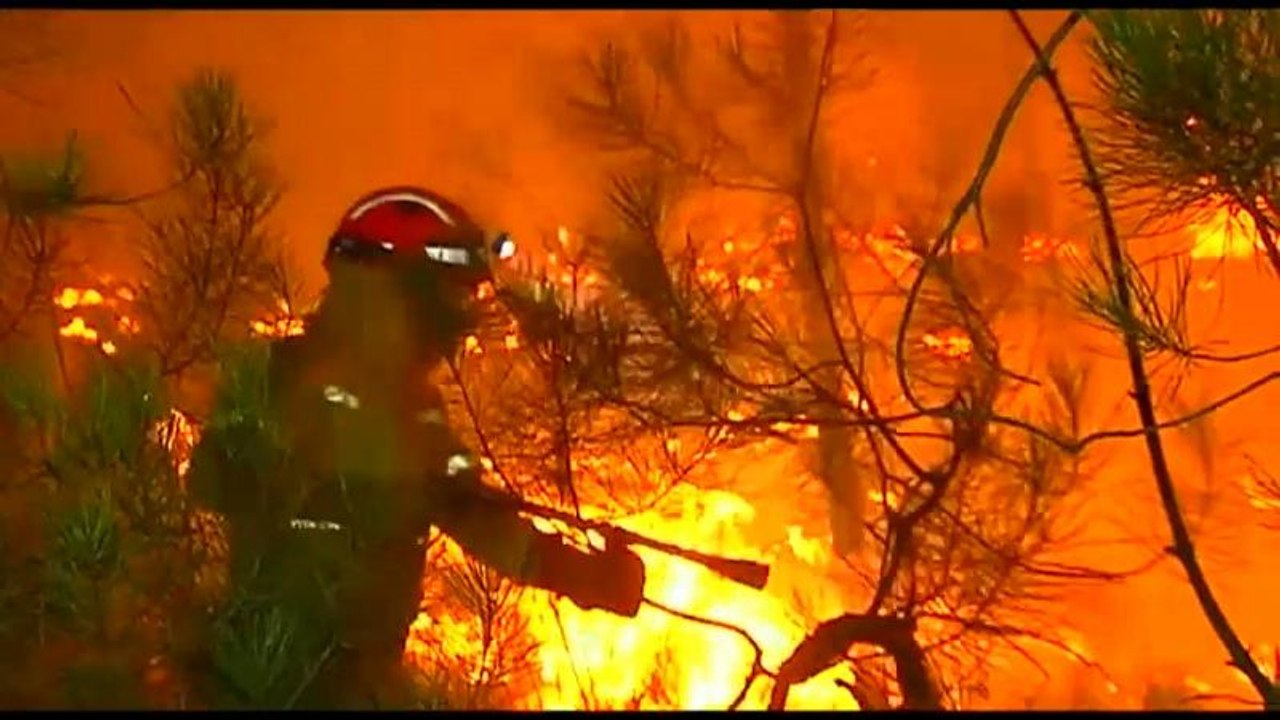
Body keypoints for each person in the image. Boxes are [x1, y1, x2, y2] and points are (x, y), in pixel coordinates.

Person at [187, 186, 646, 709]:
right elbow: (211, 483)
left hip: (362, 683)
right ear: (398, 289)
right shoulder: (274, 377)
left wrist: (583, 574)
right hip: (267, 680)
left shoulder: (413, 404)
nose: (460, 317)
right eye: (451, 295)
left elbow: (472, 512)